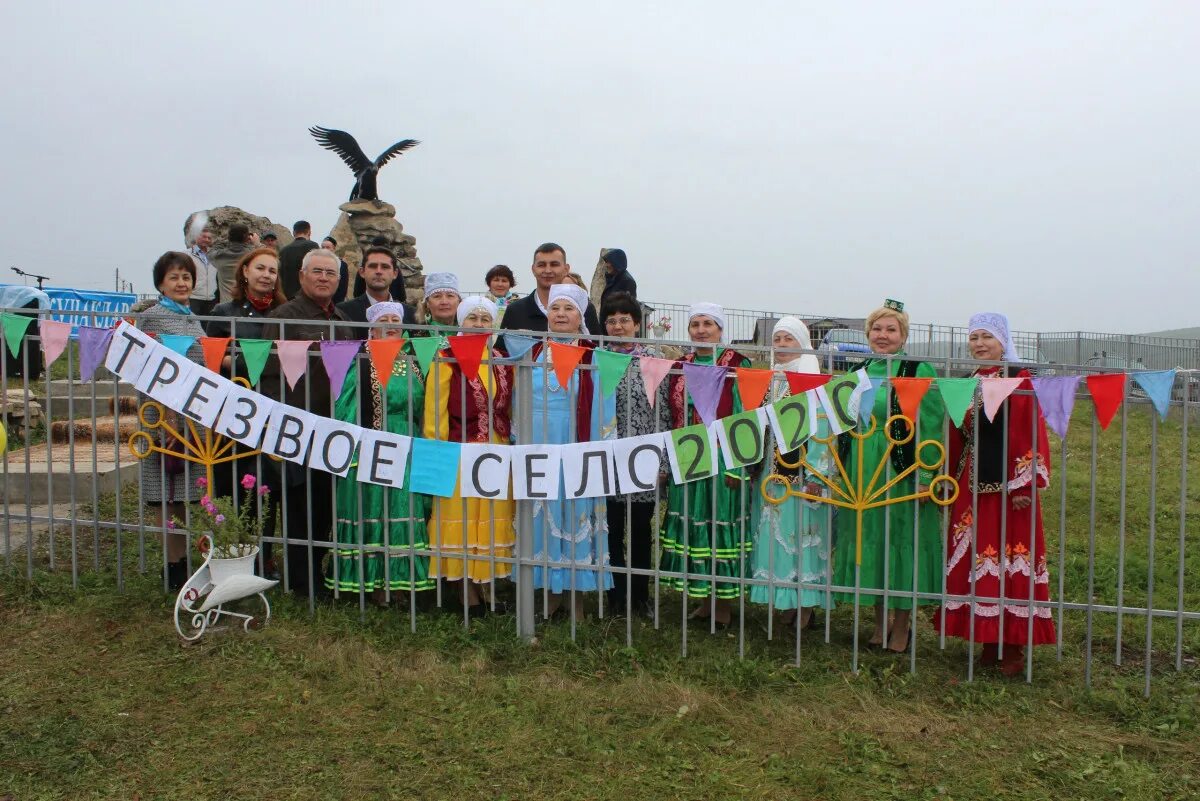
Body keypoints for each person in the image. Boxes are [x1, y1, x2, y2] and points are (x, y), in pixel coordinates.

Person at [933, 312, 1055, 675]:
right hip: (971, 484)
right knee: (978, 556)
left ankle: (1013, 647)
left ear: (1004, 341)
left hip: (1009, 488)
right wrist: (946, 477)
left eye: (987, 337)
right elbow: (958, 433)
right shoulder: (967, 382)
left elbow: (1028, 431)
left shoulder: (1019, 381)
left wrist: (1024, 483)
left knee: (1007, 554)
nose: (980, 344)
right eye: (974, 338)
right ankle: (988, 639)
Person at [832, 299, 946, 653]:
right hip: (862, 470)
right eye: (876, 329)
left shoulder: (917, 369)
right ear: (868, 334)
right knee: (874, 541)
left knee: (901, 541)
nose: (882, 336)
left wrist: (927, 474)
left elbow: (930, 423)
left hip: (900, 468)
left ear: (903, 335)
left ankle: (902, 627)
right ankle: (879, 623)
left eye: (890, 329)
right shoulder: (862, 368)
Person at [258, 248, 355, 596]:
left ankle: (322, 575)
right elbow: (266, 375)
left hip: (336, 429)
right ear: (301, 276)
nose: (324, 278)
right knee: (300, 510)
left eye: (331, 273)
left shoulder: (343, 320)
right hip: (298, 429)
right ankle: (303, 583)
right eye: (317, 272)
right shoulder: (285, 317)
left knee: (326, 507)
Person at [327, 302, 432, 603]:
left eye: (395, 320)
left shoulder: (415, 360)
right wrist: (356, 448)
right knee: (373, 508)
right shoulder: (359, 360)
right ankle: (373, 584)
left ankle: (401, 582)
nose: (390, 324)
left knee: (404, 508)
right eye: (383, 319)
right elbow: (345, 406)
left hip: (409, 443)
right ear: (371, 327)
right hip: (371, 445)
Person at [523, 284, 615, 620]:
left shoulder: (594, 356)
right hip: (540, 447)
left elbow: (604, 406)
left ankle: (576, 599)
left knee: (574, 514)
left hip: (578, 447)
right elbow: (520, 402)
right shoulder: (532, 354)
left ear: (580, 317)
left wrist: (598, 451)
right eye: (555, 308)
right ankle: (549, 594)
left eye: (569, 309)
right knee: (544, 515)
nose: (561, 314)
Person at [659, 302, 752, 628]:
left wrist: (738, 466)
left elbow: (745, 417)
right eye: (695, 324)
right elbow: (672, 416)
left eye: (708, 324)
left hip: (724, 458)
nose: (700, 329)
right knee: (694, 523)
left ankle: (723, 606)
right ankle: (702, 599)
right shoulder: (679, 366)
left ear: (720, 330)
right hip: (688, 454)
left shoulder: (737, 366)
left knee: (717, 524)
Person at [423, 295, 515, 616]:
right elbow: (435, 413)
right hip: (460, 453)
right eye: (472, 318)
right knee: (463, 523)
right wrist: (439, 457)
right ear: (461, 323)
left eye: (485, 319)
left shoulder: (502, 359)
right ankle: (467, 597)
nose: (478, 324)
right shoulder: (446, 358)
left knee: (486, 523)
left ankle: (487, 591)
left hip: (498, 452)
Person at [204, 246, 285, 577]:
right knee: (234, 486)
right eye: (261, 268)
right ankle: (233, 554)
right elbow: (212, 358)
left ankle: (265, 557)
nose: (266, 275)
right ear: (245, 272)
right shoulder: (225, 312)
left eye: (272, 271)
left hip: (276, 410)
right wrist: (248, 362)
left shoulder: (284, 311)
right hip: (235, 412)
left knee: (270, 489)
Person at [749, 317, 833, 631]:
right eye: (778, 339)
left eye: (789, 339)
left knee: (803, 537)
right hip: (771, 471)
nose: (782, 346)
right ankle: (785, 602)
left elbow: (823, 430)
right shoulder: (772, 379)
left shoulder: (813, 379)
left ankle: (807, 606)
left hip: (802, 475)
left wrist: (816, 474)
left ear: (803, 343)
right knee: (776, 537)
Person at [136, 251, 207, 590]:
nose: (182, 283)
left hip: (195, 417)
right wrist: (168, 420)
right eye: (174, 277)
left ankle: (189, 560)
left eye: (186, 277)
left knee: (188, 494)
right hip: (164, 418)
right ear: (161, 283)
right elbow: (150, 372)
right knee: (166, 495)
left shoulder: (194, 319)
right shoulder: (152, 318)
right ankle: (173, 565)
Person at [600, 291, 668, 618]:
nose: (617, 326)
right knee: (611, 528)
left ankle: (640, 595)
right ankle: (616, 594)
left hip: (644, 457)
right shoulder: (593, 358)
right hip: (606, 458)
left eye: (624, 320)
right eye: (611, 321)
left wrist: (663, 461)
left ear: (637, 323)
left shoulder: (654, 360)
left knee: (641, 530)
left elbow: (664, 413)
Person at [499, 243, 602, 337]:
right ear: (533, 269)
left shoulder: (585, 308)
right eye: (541, 265)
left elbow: (596, 350)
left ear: (566, 269)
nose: (547, 270)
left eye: (554, 264)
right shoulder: (515, 310)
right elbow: (501, 353)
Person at [336, 246, 417, 325]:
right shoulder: (343, 312)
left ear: (395, 273)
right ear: (362, 272)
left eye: (385, 267)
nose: (379, 271)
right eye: (373, 266)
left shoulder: (411, 315)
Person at [210, 224, 256, 304]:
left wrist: (227, 239)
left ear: (229, 237)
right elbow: (266, 256)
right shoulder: (250, 254)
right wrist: (257, 243)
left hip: (225, 305)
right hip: (245, 304)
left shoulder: (220, 255)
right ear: (246, 238)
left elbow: (212, 250)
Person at [414, 272, 461, 344]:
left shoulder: (468, 333)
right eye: (437, 296)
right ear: (427, 303)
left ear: (459, 302)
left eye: (450, 296)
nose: (444, 302)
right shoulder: (414, 335)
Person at [278, 220, 320, 300]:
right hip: (306, 297)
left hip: (286, 297)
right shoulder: (312, 246)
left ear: (294, 233)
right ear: (309, 232)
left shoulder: (283, 250)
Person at [188, 228, 219, 315]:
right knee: (193, 326)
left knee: (208, 327)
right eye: (204, 237)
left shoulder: (214, 256)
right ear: (197, 237)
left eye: (209, 238)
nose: (206, 240)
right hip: (193, 298)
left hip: (211, 299)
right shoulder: (187, 255)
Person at [321, 236, 351, 303]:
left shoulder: (342, 265)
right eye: (323, 247)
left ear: (334, 248)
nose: (325, 250)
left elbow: (343, 287)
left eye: (328, 247)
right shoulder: (315, 263)